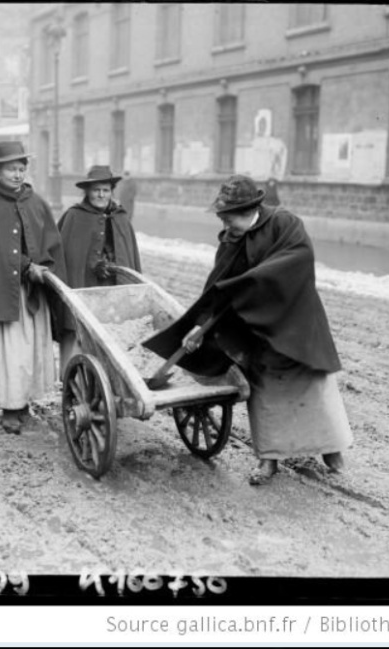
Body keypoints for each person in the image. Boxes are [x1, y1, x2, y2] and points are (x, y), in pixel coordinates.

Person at [146, 175, 353, 486]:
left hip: (296, 321)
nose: (226, 226)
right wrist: (201, 325)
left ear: (248, 210)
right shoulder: (231, 239)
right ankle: (269, 457)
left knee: (314, 386)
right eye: (223, 219)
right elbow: (218, 288)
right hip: (258, 328)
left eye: (229, 218)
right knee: (265, 391)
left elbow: (296, 262)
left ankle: (331, 449)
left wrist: (245, 285)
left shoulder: (285, 223)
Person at [0, 141, 68, 434]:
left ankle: (23, 401)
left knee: (31, 346)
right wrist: (24, 266)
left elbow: (50, 239)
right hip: (3, 292)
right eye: (11, 169)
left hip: (32, 293)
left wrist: (44, 266)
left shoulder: (35, 201)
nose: (17, 175)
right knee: (12, 350)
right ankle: (10, 407)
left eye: (21, 169)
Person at [57, 165, 142, 375]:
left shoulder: (121, 217)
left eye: (105, 190)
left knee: (113, 333)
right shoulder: (74, 217)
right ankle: (74, 379)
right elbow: (67, 256)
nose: (101, 194)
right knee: (78, 331)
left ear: (111, 191)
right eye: (96, 190)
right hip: (83, 285)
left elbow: (128, 254)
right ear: (87, 191)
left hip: (112, 288)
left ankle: (110, 378)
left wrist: (113, 263)